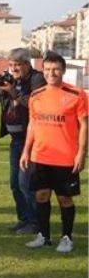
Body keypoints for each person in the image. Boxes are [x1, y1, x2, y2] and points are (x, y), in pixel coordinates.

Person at [20, 52, 87, 253]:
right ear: (43, 70)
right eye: (48, 69)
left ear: (63, 70)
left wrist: (81, 153)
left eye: (56, 69)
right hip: (40, 156)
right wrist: (26, 151)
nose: (52, 73)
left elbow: (84, 125)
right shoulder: (36, 95)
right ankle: (44, 235)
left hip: (66, 158)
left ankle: (67, 238)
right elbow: (32, 124)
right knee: (41, 196)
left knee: (64, 198)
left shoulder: (76, 94)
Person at [0, 48, 46, 235]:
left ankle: (35, 222)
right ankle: (24, 219)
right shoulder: (11, 79)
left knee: (25, 183)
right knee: (15, 183)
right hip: (15, 141)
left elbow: (33, 103)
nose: (13, 69)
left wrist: (12, 90)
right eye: (10, 65)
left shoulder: (37, 79)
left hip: (31, 139)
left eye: (17, 65)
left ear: (27, 64)